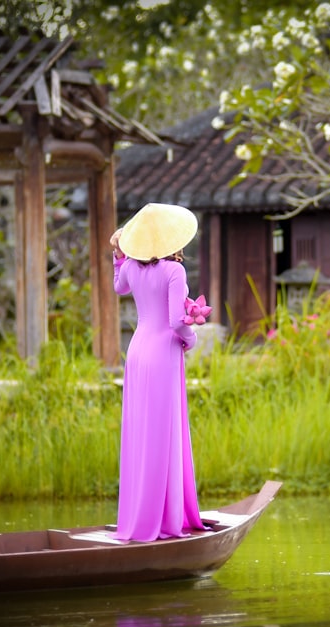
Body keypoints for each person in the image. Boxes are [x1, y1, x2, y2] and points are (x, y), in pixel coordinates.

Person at [108, 202, 208, 542]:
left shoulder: (132, 269)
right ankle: (165, 519)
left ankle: (140, 516)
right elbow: (176, 322)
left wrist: (119, 253)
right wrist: (192, 337)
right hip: (163, 352)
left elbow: (119, 287)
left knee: (142, 433)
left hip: (137, 351)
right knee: (163, 433)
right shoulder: (174, 271)